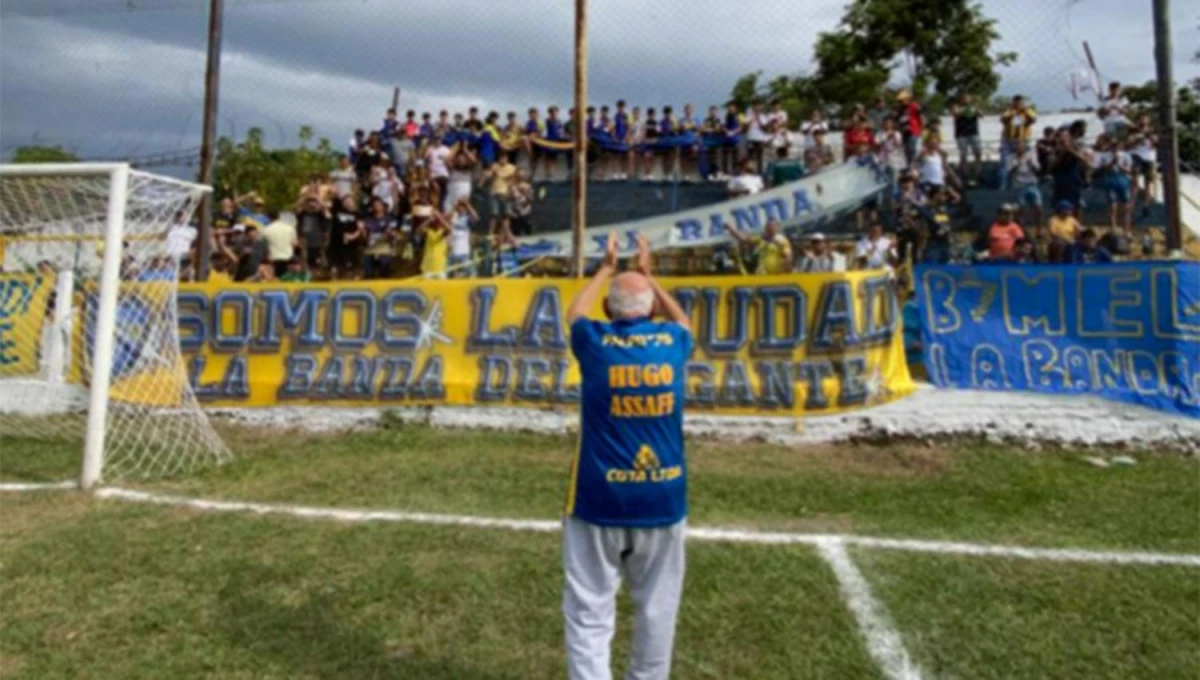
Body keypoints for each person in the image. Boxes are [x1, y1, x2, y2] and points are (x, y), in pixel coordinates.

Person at [563, 232, 692, 680]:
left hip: (598, 499)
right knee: (658, 611)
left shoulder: (595, 342)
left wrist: (604, 267)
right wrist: (651, 277)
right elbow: (686, 324)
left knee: (589, 612)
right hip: (663, 497)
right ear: (653, 309)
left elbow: (575, 313)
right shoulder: (672, 343)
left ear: (608, 312)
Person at [724, 219, 793, 274]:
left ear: (777, 227)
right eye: (767, 226)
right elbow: (744, 239)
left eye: (771, 226)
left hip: (777, 275)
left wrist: (785, 272)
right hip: (762, 275)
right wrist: (731, 229)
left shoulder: (782, 240)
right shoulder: (761, 239)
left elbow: (788, 257)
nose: (769, 228)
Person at [999, 95, 1037, 189]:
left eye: (1019, 103)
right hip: (1009, 140)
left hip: (1023, 140)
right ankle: (1003, 185)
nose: (1017, 105)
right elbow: (1003, 118)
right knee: (1005, 163)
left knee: (1025, 162)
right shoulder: (1009, 111)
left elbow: (1033, 118)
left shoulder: (1027, 111)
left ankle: (1025, 183)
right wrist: (1012, 112)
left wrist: (1025, 111)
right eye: (1015, 102)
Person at [481, 153, 518, 238]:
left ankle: (506, 234)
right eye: (501, 157)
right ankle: (490, 234)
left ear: (507, 158)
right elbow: (488, 176)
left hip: (506, 194)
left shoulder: (512, 168)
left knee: (506, 215)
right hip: (494, 193)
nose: (503, 159)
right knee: (494, 214)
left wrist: (510, 192)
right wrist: (490, 174)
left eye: (504, 157)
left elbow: (514, 180)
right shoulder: (494, 166)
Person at [361, 197, 398, 279]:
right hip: (371, 248)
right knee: (367, 266)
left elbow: (395, 234)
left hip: (384, 248)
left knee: (384, 267)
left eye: (379, 204)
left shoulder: (389, 219)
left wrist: (391, 233)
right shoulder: (367, 220)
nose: (377, 206)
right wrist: (362, 232)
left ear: (383, 206)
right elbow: (364, 237)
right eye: (374, 205)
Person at [1009, 141, 1043, 228]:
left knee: (1038, 208)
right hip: (1020, 186)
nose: (1019, 148)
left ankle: (1038, 230)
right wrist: (1018, 163)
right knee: (1021, 209)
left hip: (1032, 184)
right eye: (1017, 147)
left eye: (1021, 147)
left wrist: (1031, 164)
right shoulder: (1011, 158)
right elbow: (1009, 172)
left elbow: (1038, 170)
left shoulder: (1031, 156)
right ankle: (1021, 229)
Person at [329, 195, 363, 280]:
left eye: (350, 200)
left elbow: (361, 228)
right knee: (334, 268)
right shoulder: (336, 212)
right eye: (345, 200)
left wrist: (353, 236)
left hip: (351, 245)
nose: (347, 202)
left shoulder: (357, 214)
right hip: (336, 244)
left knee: (349, 268)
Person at [951, 94, 982, 185]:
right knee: (963, 154)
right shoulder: (956, 106)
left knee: (978, 153)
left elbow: (981, 115)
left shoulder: (974, 106)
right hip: (961, 134)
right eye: (964, 98)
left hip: (973, 132)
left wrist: (977, 109)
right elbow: (955, 114)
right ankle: (964, 173)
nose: (966, 100)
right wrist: (965, 110)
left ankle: (977, 173)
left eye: (968, 98)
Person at [447, 198, 478, 278]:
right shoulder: (453, 217)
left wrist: (468, 205)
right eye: (459, 207)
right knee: (449, 276)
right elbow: (445, 219)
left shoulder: (467, 218)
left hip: (464, 253)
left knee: (467, 275)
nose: (461, 208)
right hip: (452, 252)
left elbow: (476, 218)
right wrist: (454, 207)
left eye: (463, 207)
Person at [261, 212, 297, 279]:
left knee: (275, 283)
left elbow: (263, 246)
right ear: (279, 217)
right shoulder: (289, 228)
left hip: (273, 259)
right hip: (288, 258)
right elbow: (294, 244)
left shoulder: (265, 229)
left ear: (268, 218)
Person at [418, 209, 452, 280]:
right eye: (435, 221)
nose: (436, 223)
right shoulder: (429, 232)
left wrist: (439, 217)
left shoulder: (442, 232)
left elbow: (449, 229)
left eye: (438, 222)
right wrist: (430, 219)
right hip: (428, 268)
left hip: (440, 268)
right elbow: (419, 230)